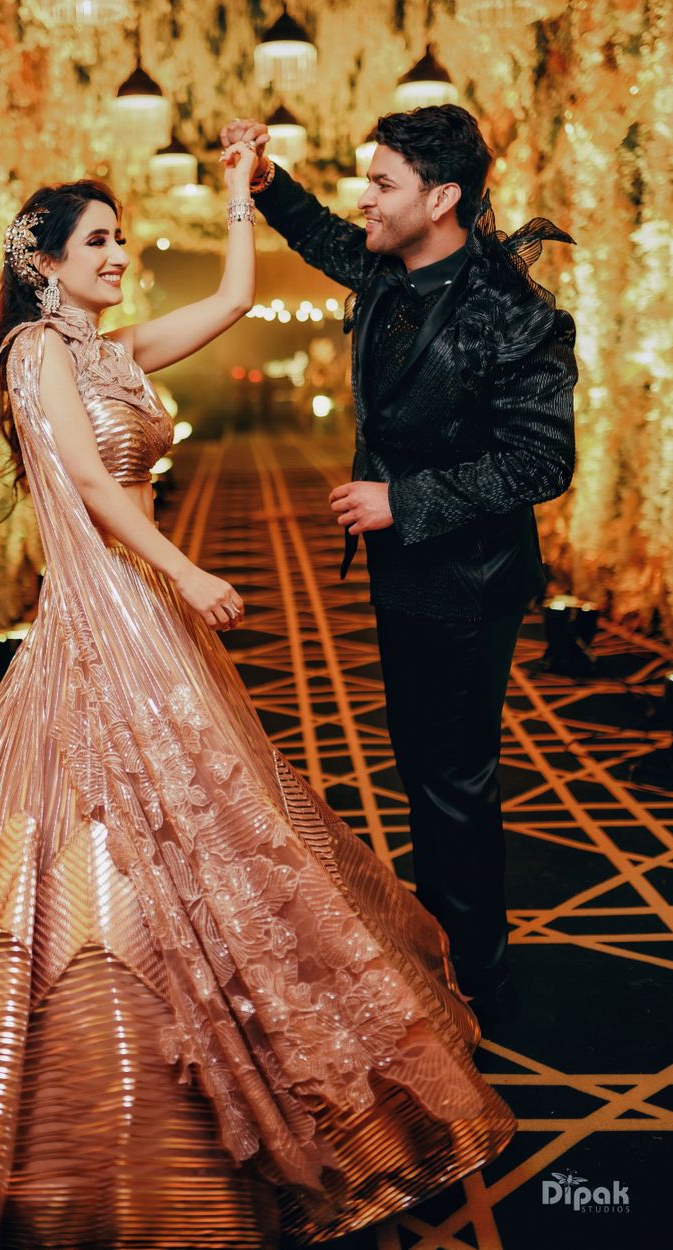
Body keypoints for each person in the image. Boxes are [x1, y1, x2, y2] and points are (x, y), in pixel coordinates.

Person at [0, 138, 516, 1250]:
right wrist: (182, 568)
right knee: (90, 837)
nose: (119, 256)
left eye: (121, 239)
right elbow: (80, 476)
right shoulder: (35, 353)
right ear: (45, 263)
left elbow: (233, 293)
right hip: (105, 611)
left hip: (149, 618)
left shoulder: (113, 352)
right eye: (99, 242)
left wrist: (235, 198)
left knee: (196, 822)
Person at [220, 105, 578, 1022]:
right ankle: (446, 951)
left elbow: (543, 462)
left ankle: (482, 984)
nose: (366, 199)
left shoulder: (515, 314)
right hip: (405, 574)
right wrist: (266, 183)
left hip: (468, 581)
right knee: (423, 768)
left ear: (444, 196)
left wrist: (401, 501)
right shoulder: (385, 268)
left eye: (383, 184)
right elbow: (326, 237)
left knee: (454, 782)